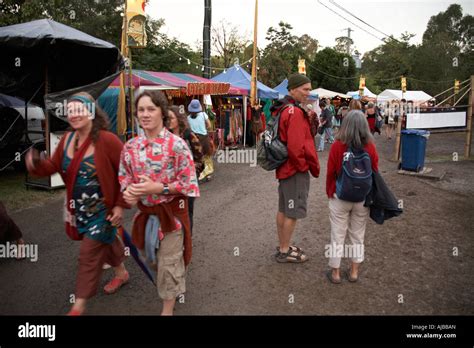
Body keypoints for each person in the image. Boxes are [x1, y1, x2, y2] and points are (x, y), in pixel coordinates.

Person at [25, 92, 130, 315]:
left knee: (88, 253)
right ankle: (121, 273)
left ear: (91, 111)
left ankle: (79, 305)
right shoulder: (68, 139)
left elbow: (126, 172)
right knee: (106, 240)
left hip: (104, 210)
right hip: (79, 210)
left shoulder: (107, 140)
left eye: (79, 109)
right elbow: (53, 166)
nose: (74, 114)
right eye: (70, 111)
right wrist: (35, 165)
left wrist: (120, 205)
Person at [119, 90, 199, 315]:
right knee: (151, 260)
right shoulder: (131, 148)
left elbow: (189, 184)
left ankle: (167, 309)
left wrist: (159, 188)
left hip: (171, 217)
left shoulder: (177, 146)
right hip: (145, 216)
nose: (145, 114)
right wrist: (130, 193)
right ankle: (170, 280)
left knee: (168, 265)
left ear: (162, 113)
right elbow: (124, 179)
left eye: (151, 109)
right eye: (141, 110)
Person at [325, 110, 379, 284]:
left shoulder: (337, 145)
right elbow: (375, 171)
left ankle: (335, 273)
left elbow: (331, 172)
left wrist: (330, 192)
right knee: (357, 235)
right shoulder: (370, 146)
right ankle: (354, 271)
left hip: (340, 196)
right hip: (362, 198)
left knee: (337, 235)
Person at [271, 73, 320, 263]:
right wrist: (302, 167)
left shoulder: (284, 109)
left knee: (283, 208)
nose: (308, 93)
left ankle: (283, 245)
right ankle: (284, 250)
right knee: (292, 211)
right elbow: (296, 146)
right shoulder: (295, 113)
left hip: (284, 168)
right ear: (292, 89)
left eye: (309, 89)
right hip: (294, 170)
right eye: (305, 89)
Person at [167, 105, 204, 233]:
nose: (169, 121)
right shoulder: (166, 137)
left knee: (187, 210)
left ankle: (187, 238)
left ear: (179, 119)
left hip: (188, 181)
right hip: (171, 182)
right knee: (173, 210)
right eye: (167, 118)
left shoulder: (189, 135)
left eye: (171, 118)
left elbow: (200, 158)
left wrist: (192, 173)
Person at [187, 99, 213, 182]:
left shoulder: (188, 118)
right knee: (207, 156)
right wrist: (205, 129)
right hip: (204, 138)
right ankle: (208, 174)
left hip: (194, 139)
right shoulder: (203, 114)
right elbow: (209, 125)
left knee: (197, 157)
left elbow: (187, 129)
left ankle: (197, 175)